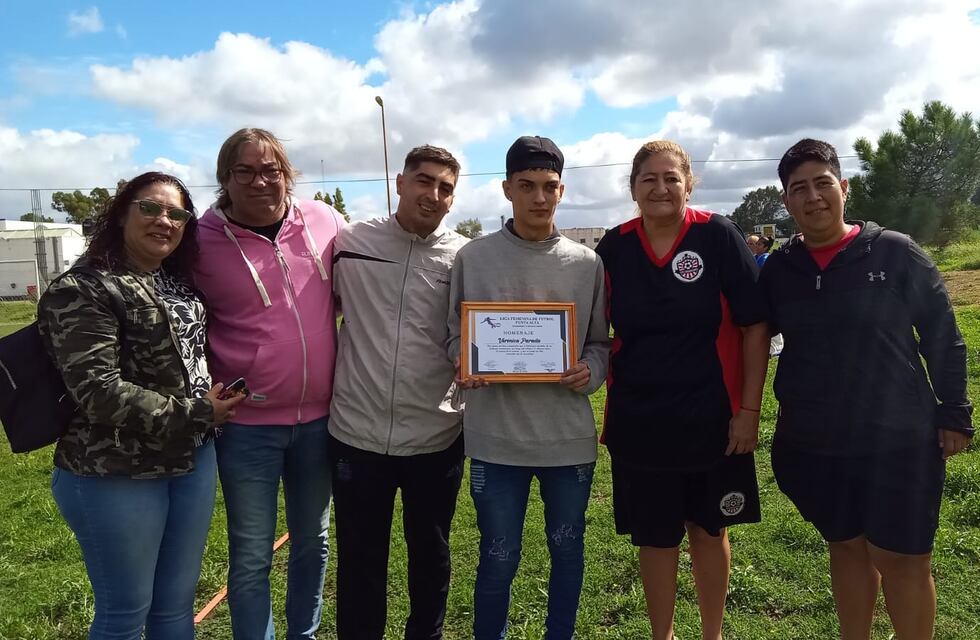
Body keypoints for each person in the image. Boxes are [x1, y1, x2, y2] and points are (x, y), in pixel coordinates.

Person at [761, 138, 974, 640]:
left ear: (844, 187)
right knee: (847, 545)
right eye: (799, 189)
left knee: (903, 559)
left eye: (822, 183)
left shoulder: (896, 253)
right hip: (817, 442)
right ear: (787, 202)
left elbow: (943, 335)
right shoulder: (781, 269)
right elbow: (748, 336)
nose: (813, 197)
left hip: (897, 439)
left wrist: (955, 412)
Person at [39, 172, 244, 639]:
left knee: (174, 607)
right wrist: (198, 412)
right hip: (114, 471)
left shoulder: (176, 283)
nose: (164, 220)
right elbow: (97, 390)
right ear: (121, 214)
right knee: (125, 613)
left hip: (191, 460)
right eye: (149, 208)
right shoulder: (83, 288)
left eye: (177, 213)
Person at [594, 140, 770, 640]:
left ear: (689, 184)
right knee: (656, 539)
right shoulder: (615, 247)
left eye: (671, 177)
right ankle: (663, 636)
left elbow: (755, 326)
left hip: (714, 420)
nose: (660, 187)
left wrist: (749, 410)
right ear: (632, 188)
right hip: (640, 423)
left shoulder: (717, 235)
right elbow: (584, 327)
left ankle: (711, 634)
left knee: (709, 532)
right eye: (648, 178)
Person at [448, 136, 610, 640]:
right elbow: (456, 335)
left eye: (549, 187)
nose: (539, 198)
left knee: (568, 550)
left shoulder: (587, 264)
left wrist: (591, 371)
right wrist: (464, 362)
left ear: (561, 191)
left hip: (567, 440)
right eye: (527, 187)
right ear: (506, 189)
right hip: (496, 440)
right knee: (498, 557)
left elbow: (600, 343)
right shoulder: (473, 259)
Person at [193, 128, 346, 640]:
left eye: (271, 170)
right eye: (245, 171)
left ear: (288, 174)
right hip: (246, 427)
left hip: (322, 420)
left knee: (313, 541)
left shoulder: (324, 221)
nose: (261, 181)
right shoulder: (199, 242)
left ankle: (303, 633)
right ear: (225, 179)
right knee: (252, 552)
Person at [328, 145, 468, 639]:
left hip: (436, 433)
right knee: (360, 560)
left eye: (445, 187)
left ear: (454, 198)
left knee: (431, 555)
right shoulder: (349, 243)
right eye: (424, 181)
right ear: (400, 182)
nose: (433, 194)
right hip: (355, 433)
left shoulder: (464, 257)